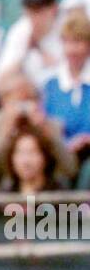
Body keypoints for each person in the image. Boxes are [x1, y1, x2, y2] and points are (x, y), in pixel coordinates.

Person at [0, 69, 77, 187]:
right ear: (4, 102)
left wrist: (46, 132)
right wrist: (6, 134)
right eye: (17, 100)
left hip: (44, 188)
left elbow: (71, 169)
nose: (22, 107)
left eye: (27, 100)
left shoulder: (51, 125)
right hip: (2, 187)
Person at [0, 0, 63, 88]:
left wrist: (45, 54)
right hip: (31, 95)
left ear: (54, 8)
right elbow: (1, 80)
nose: (35, 18)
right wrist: (24, 51)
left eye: (39, 11)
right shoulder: (20, 31)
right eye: (31, 11)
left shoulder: (67, 26)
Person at [42, 9, 90, 164]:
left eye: (77, 42)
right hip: (60, 158)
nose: (72, 50)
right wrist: (67, 145)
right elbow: (48, 128)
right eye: (67, 42)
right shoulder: (51, 86)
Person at [0, 121, 66, 193]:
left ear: (45, 157)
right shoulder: (5, 195)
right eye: (20, 153)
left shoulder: (59, 195)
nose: (26, 161)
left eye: (32, 152)